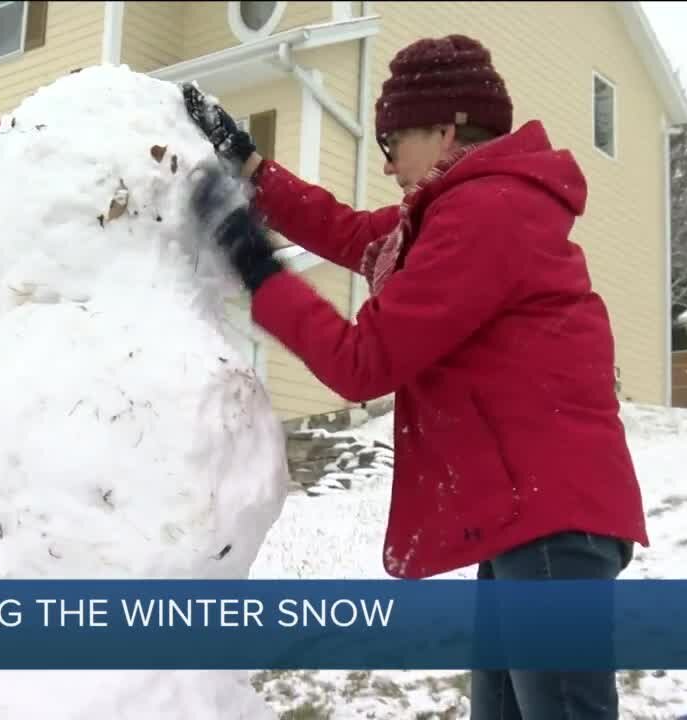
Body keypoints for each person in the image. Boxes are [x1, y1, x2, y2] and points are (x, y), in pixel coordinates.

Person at [182, 34, 648, 719]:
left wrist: (257, 267)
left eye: (395, 137)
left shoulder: (486, 214)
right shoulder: (468, 209)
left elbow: (362, 360)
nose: (387, 158)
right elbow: (347, 230)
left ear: (447, 128)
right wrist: (253, 170)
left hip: (552, 521)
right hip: (531, 518)